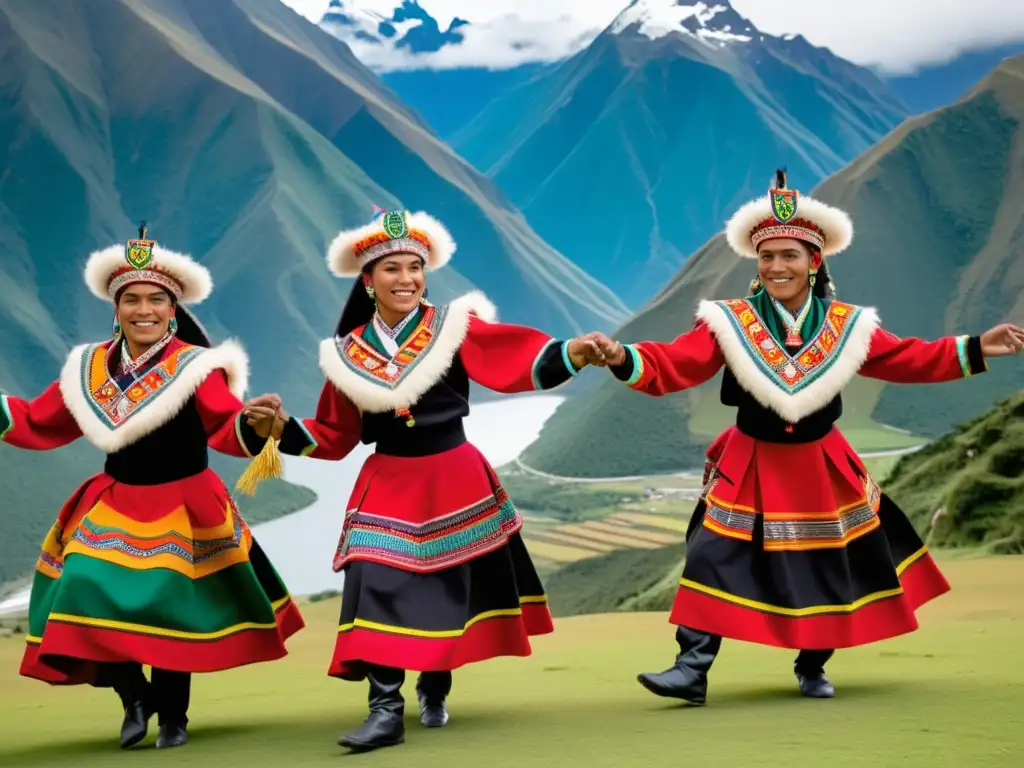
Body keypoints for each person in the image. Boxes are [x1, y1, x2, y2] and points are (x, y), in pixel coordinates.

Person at [585, 170, 1024, 704]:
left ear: (814, 262)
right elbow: (678, 361)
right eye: (766, 257)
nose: (776, 267)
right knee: (711, 553)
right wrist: (623, 357)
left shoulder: (849, 324)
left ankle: (813, 665)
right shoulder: (728, 321)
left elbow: (907, 357)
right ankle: (691, 668)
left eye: (789, 256)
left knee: (825, 559)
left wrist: (978, 346)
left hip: (819, 460)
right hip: (749, 456)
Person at [243, 207, 603, 752]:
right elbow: (335, 436)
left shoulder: (455, 329)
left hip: (454, 471)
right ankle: (385, 708)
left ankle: (434, 684)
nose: (406, 278)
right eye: (391, 269)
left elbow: (513, 359)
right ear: (368, 281)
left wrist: (570, 353)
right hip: (388, 476)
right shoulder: (345, 355)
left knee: (448, 585)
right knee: (377, 577)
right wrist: (278, 429)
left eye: (414, 266)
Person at [0, 225, 305, 749]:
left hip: (185, 501)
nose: (145, 309)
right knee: (82, 587)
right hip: (117, 499)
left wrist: (256, 422)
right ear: (115, 308)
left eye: (156, 299)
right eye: (132, 299)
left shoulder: (197, 365)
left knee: (170, 604)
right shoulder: (87, 367)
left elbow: (224, 423)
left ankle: (174, 717)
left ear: (173, 307)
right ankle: (133, 695)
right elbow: (40, 420)